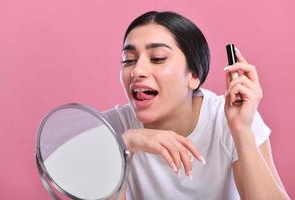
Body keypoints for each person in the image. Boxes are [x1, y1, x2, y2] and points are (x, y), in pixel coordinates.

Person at [103, 11, 289, 200]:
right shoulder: (109, 128)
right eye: (128, 59)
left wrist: (242, 131)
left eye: (158, 58)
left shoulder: (229, 117)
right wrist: (124, 146)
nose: (137, 70)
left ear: (194, 76)